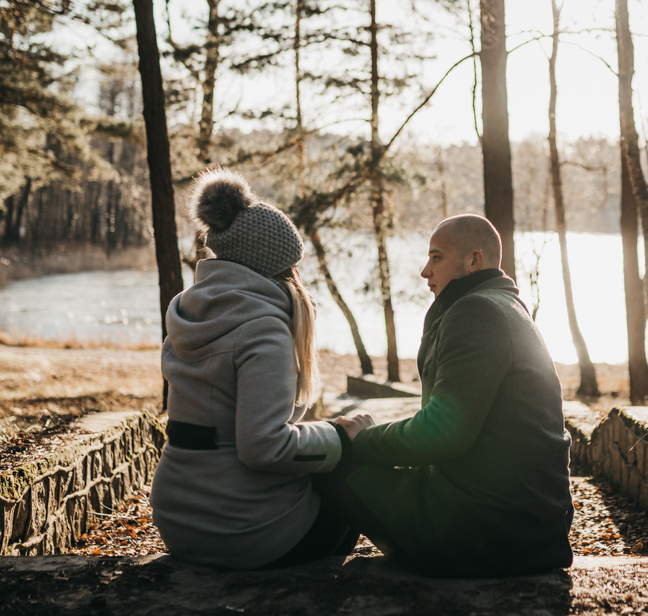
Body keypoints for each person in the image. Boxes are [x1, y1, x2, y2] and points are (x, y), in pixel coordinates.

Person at [149, 168, 372, 570]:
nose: (299, 276)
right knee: (354, 462)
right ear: (276, 267)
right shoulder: (262, 328)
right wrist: (341, 434)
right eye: (293, 265)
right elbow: (263, 446)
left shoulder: (191, 313)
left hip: (179, 520)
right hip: (241, 529)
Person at [332, 214, 574, 578]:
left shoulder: (477, 312)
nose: (424, 271)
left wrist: (361, 441)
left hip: (483, 532)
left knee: (330, 462)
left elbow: (443, 432)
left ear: (473, 261)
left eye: (437, 257)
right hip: (530, 530)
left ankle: (309, 575)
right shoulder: (504, 305)